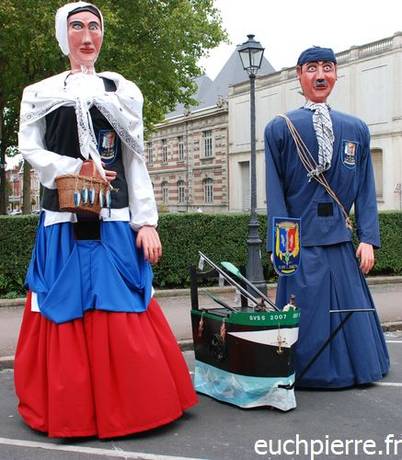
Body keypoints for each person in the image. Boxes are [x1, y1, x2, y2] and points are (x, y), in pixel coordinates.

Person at [15, 1, 197, 438]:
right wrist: (75, 168)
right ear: (65, 35)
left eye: (94, 27)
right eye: (76, 26)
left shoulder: (123, 91)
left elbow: (135, 158)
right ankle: (72, 410)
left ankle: (132, 408)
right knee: (65, 308)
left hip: (114, 219)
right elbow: (28, 148)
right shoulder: (39, 92)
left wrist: (147, 222)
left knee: (120, 307)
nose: (86, 36)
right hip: (62, 221)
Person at [264, 46, 390, 388]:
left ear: (335, 74)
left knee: (350, 316)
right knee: (305, 312)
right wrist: (281, 246)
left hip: (340, 243)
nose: (320, 75)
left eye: (328, 68)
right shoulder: (279, 128)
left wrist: (367, 238)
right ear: (299, 75)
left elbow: (365, 188)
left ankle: (356, 368)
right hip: (300, 246)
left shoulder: (357, 129)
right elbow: (275, 195)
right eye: (311, 68)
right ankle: (307, 370)